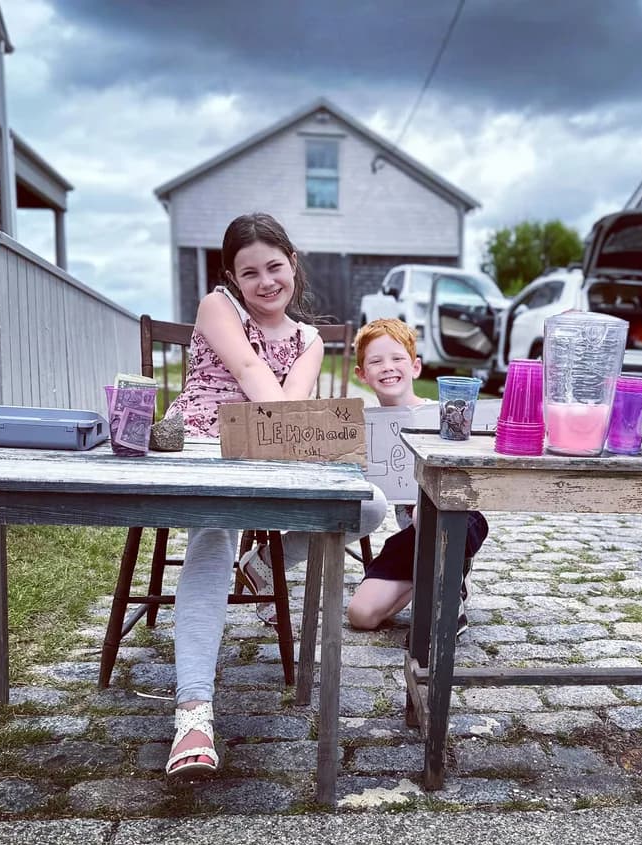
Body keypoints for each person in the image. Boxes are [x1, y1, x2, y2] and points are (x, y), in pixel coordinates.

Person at [162, 213, 387, 780]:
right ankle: (192, 711)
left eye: (275, 267)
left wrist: (305, 435)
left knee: (369, 506)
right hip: (205, 445)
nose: (265, 281)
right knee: (213, 536)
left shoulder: (309, 338)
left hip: (271, 448)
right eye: (250, 272)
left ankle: (266, 563)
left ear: (293, 263)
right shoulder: (219, 307)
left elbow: (288, 414)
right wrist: (297, 427)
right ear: (232, 277)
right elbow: (255, 378)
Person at [342, 318, 488, 635]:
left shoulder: (444, 413)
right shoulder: (364, 429)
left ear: (416, 367)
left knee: (428, 510)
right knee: (361, 615)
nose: (388, 367)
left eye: (397, 359)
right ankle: (434, 582)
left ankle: (449, 596)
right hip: (412, 540)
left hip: (461, 520)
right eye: (376, 361)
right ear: (362, 374)